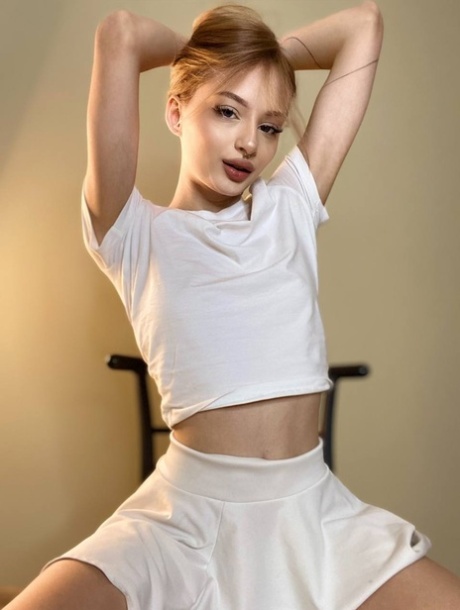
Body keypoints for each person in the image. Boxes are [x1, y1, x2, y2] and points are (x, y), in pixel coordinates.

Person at [7, 2, 460, 609]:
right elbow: (121, 32)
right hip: (184, 521)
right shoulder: (133, 232)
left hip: (313, 514)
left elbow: (365, 25)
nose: (250, 142)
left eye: (270, 126)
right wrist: (218, 56)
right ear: (176, 111)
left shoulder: (290, 205)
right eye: (227, 110)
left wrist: (263, 61)